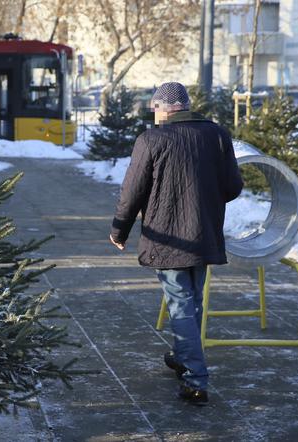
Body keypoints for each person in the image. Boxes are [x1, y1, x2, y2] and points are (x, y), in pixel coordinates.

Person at [109, 82, 243, 405]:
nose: (153, 115)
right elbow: (234, 186)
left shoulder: (151, 139)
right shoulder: (217, 135)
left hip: (168, 236)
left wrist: (119, 230)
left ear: (165, 108)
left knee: (182, 303)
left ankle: (195, 378)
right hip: (204, 235)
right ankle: (182, 354)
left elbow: (132, 192)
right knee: (191, 300)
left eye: (155, 108)